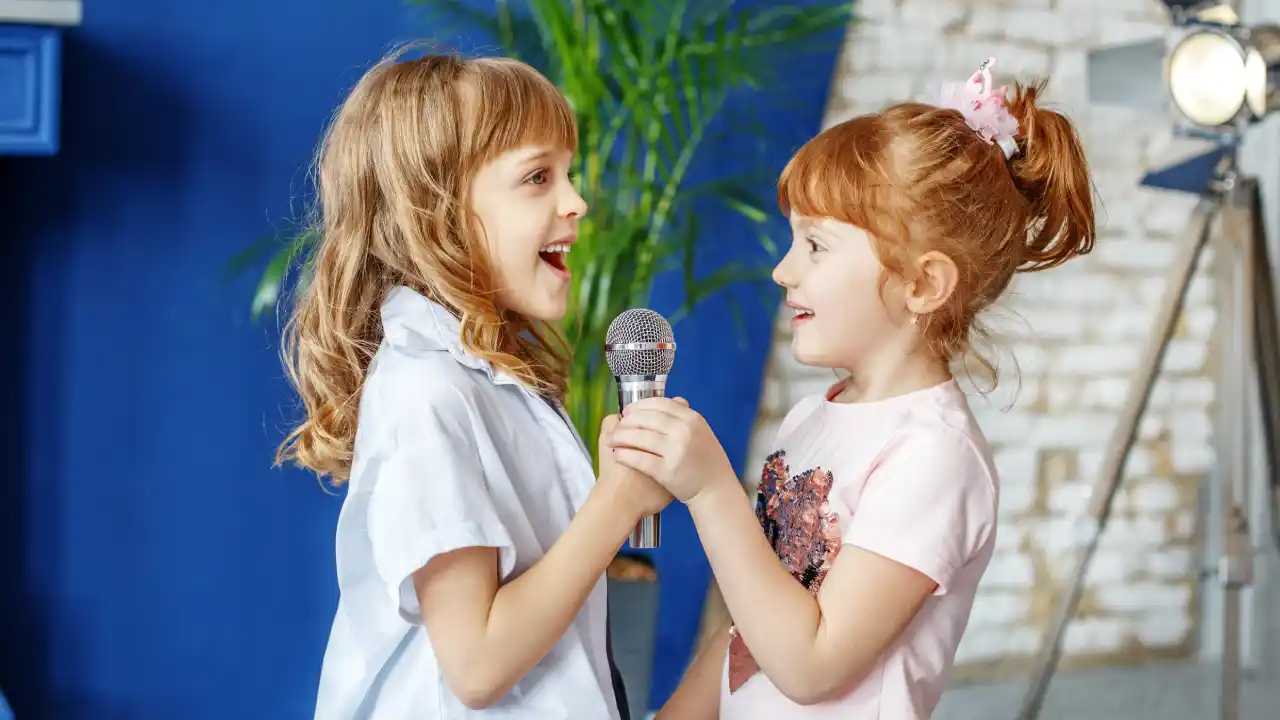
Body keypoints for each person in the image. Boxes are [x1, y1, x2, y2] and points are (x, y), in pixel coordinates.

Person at [609, 57, 1097, 719]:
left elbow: (812, 667)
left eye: (816, 246)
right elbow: (751, 628)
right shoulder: (814, 417)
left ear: (923, 284)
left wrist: (710, 488)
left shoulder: (935, 458)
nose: (783, 271)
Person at [274, 48, 670, 719]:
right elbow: (479, 662)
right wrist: (617, 501)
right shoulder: (427, 393)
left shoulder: (482, 380)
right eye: (538, 178)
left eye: (567, 175)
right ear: (439, 212)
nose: (576, 202)